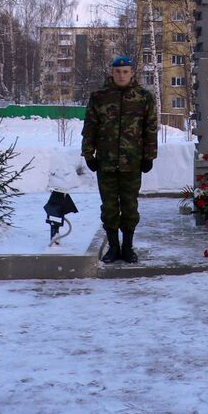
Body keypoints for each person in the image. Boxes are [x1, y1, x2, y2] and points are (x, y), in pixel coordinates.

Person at [81, 55, 158, 264]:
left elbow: (150, 129)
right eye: (118, 72)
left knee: (130, 206)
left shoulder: (144, 97)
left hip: (132, 163)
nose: (121, 75)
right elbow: (90, 128)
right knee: (109, 207)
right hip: (105, 163)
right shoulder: (99, 97)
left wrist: (149, 157)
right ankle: (113, 247)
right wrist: (88, 154)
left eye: (125, 72)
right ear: (112, 73)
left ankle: (128, 247)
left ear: (132, 72)